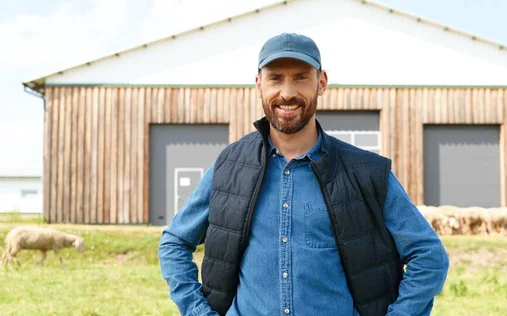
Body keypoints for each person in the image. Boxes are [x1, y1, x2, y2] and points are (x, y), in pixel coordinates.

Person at [158, 32, 449, 316]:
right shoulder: (229, 166)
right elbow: (174, 243)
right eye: (275, 78)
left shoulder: (367, 173)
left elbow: (429, 257)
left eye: (300, 77)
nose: (287, 93)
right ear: (259, 83)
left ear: (321, 83)